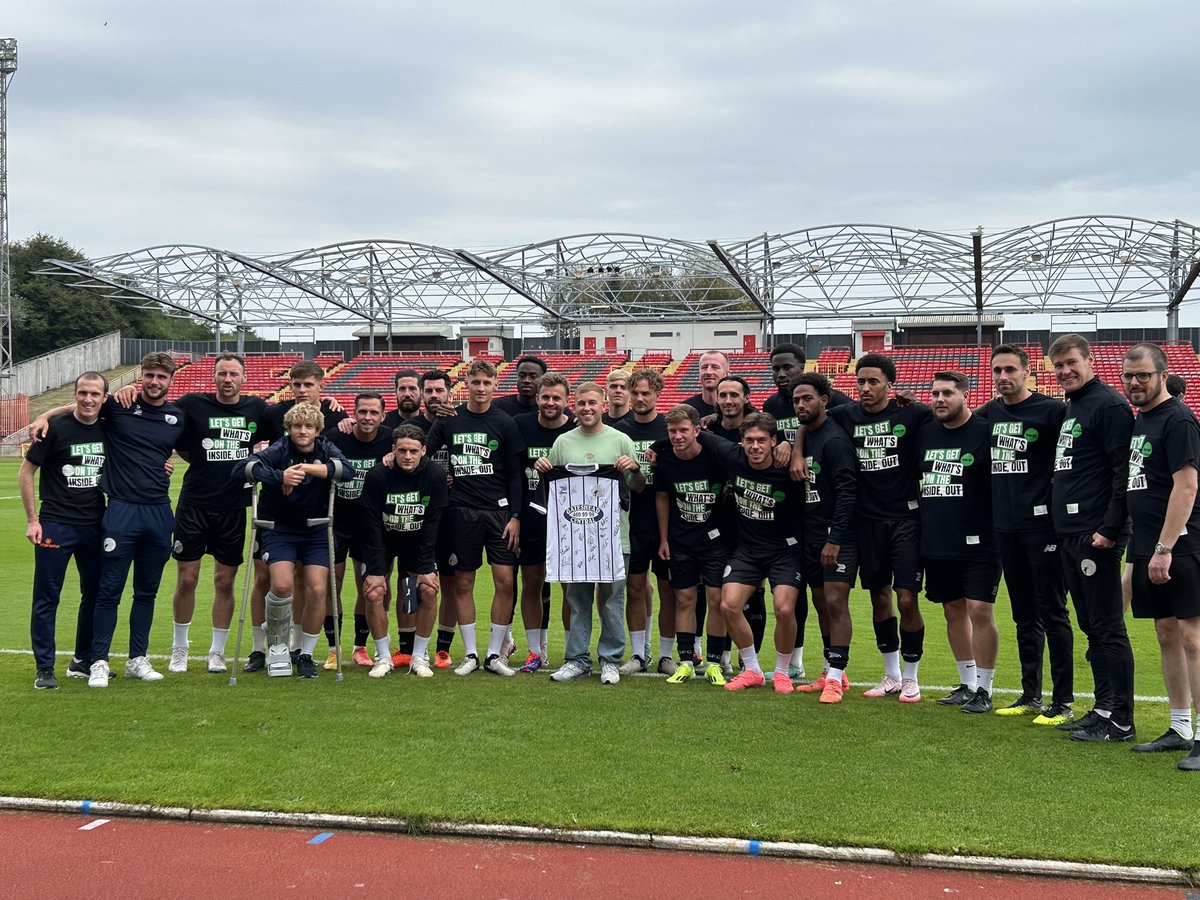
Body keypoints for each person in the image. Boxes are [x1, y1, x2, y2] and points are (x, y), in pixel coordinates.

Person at [32, 352, 188, 688]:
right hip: (121, 510)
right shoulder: (118, 405)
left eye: (162, 377)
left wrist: (163, 464)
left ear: (171, 380)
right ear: (141, 376)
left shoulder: (178, 416)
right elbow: (80, 407)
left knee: (147, 592)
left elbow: (185, 451)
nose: (155, 382)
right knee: (108, 590)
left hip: (159, 511)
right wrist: (44, 414)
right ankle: (98, 660)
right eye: (150, 375)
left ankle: (137, 659)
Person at [826, 353, 930, 703]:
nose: (866, 388)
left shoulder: (911, 412)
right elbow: (810, 421)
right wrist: (793, 449)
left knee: (907, 599)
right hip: (867, 522)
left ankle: (912, 677)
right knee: (879, 598)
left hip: (906, 520)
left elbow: (957, 412)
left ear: (890, 385)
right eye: (861, 381)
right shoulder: (846, 415)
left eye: (873, 381)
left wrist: (913, 399)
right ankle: (891, 675)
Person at [1049, 333, 1137, 743]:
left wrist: (1110, 529)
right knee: (1091, 625)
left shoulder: (1109, 405)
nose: (1065, 371)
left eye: (1072, 362)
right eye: (1059, 366)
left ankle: (1121, 720)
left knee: (1107, 626)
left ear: (1090, 361)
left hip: (1095, 534)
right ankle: (1103, 708)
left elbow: (1123, 472)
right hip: (1071, 533)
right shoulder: (1075, 405)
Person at [158, 352, 268, 675]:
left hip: (233, 506)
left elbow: (291, 423)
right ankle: (180, 648)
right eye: (222, 373)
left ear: (244, 378)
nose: (228, 379)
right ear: (214, 376)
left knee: (224, 580)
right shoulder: (193, 404)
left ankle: (217, 652)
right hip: (195, 503)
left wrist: (330, 405)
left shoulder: (257, 408)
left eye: (233, 374)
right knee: (187, 578)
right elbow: (161, 422)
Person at [980, 344, 1073, 724]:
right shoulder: (991, 412)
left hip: (1044, 527)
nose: (1003, 377)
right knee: (1023, 616)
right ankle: (1030, 695)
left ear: (1027, 371)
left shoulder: (1052, 411)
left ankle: (1063, 702)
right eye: (997, 371)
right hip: (1005, 527)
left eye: (1010, 370)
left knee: (1053, 612)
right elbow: (952, 419)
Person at [1120, 343, 1200, 769]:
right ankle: (1180, 726)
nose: (1135, 382)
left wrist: (1165, 548)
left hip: (1182, 544)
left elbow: (1186, 486)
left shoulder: (1178, 419)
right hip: (1149, 544)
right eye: (1129, 376)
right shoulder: (1143, 419)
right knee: (1166, 633)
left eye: (1144, 375)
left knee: (1193, 638)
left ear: (1164, 375)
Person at [243, 360, 347, 672]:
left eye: (308, 384)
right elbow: (247, 461)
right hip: (277, 520)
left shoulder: (332, 421)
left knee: (314, 586)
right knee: (272, 581)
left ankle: (302, 652)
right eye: (296, 384)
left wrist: (305, 470)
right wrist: (280, 476)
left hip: (314, 522)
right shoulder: (275, 420)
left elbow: (346, 468)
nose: (303, 431)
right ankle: (265, 645)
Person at [537, 382, 643, 684]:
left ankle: (610, 660)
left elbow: (638, 487)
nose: (587, 408)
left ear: (603, 404)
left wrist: (635, 469)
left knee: (612, 602)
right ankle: (577, 659)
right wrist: (542, 468)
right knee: (577, 601)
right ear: (575, 405)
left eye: (592, 403)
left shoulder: (621, 440)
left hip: (613, 537)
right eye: (581, 403)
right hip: (574, 539)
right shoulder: (562, 443)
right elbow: (551, 490)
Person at [425, 359, 524, 676]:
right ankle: (470, 654)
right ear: (465, 384)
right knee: (463, 581)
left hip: (499, 512)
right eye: (475, 382)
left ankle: (494, 654)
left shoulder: (505, 423)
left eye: (486, 382)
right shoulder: (449, 420)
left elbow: (515, 475)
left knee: (505, 580)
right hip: (461, 511)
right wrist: (439, 479)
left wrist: (516, 516)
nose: (480, 388)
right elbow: (423, 454)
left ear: (495, 385)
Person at [917, 371, 1001, 714]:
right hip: (938, 537)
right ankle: (966, 684)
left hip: (982, 540)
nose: (940, 399)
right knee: (952, 610)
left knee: (979, 609)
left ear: (965, 395)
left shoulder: (986, 432)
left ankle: (985, 688)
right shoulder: (925, 433)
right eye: (935, 393)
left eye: (948, 393)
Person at [21, 372, 109, 689]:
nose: (88, 399)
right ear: (74, 394)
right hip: (56, 524)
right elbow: (26, 473)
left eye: (94, 394)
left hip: (96, 524)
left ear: (104, 398)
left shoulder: (109, 424)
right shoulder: (55, 428)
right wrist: (33, 520)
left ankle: (82, 660)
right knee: (47, 597)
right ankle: (44, 668)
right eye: (82, 393)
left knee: (95, 594)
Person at [710, 413, 807, 694]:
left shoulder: (787, 467)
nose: (755, 446)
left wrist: (793, 445)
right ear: (741, 442)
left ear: (773, 441)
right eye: (749, 440)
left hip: (785, 551)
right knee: (729, 605)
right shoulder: (733, 458)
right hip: (748, 550)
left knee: (784, 609)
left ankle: (782, 672)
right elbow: (692, 432)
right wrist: (659, 447)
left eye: (761, 440)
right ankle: (752, 670)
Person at [358, 424, 449, 678]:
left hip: (417, 543)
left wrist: (426, 568)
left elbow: (433, 525)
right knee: (374, 592)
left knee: (427, 590)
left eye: (413, 451)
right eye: (402, 451)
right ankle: (383, 657)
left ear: (423, 451)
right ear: (393, 450)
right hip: (382, 541)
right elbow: (371, 525)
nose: (407, 456)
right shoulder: (377, 475)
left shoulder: (435, 475)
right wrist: (376, 571)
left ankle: (419, 656)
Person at [653, 404, 733, 685]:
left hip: (716, 541)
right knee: (685, 599)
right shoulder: (664, 461)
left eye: (683, 430)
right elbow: (662, 499)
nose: (677, 436)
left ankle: (714, 663)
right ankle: (686, 661)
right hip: (681, 540)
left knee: (716, 600)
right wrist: (664, 539)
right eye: (672, 431)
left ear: (697, 431)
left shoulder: (715, 457)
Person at [790, 374, 857, 704]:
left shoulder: (834, 440)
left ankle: (835, 678)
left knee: (835, 602)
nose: (801, 405)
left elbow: (848, 491)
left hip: (836, 537)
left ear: (824, 400)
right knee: (820, 602)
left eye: (807, 399)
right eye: (796, 401)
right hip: (811, 534)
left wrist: (836, 538)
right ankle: (832, 671)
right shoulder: (808, 434)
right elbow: (802, 429)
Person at [325, 392, 394, 669]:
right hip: (337, 522)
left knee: (369, 587)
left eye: (373, 412)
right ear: (353, 414)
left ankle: (360, 646)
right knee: (331, 585)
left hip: (372, 525)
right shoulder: (336, 436)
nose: (367, 417)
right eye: (362, 412)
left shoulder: (391, 439)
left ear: (383, 416)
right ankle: (333, 649)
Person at [514, 373, 575, 672]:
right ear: (537, 398)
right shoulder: (520, 425)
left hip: (569, 520)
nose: (550, 402)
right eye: (546, 397)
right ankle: (535, 651)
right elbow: (511, 473)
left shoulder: (577, 427)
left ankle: (573, 651)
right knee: (532, 582)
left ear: (566, 400)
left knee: (570, 589)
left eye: (556, 397)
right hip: (531, 517)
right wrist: (515, 515)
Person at [614, 369, 673, 674]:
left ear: (657, 394)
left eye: (645, 393)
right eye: (634, 392)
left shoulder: (669, 428)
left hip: (668, 522)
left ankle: (666, 655)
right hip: (631, 522)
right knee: (635, 588)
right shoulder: (618, 430)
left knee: (668, 591)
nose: (639, 398)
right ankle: (638, 654)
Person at [762, 344, 851, 445]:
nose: (781, 374)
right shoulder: (770, 405)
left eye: (787, 367)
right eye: (776, 369)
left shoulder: (833, 399)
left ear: (802, 367)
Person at [682, 350, 730, 419]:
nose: (708, 372)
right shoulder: (684, 411)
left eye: (715, 367)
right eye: (704, 367)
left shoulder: (739, 411)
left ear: (727, 374)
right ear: (699, 373)